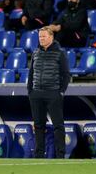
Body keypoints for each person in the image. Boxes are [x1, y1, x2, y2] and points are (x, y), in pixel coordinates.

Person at [28, 26, 70, 158]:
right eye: (40, 37)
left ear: (51, 37)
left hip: (53, 93)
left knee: (58, 125)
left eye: (44, 36)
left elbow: (66, 74)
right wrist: (30, 91)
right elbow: (31, 74)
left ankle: (60, 155)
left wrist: (61, 92)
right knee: (38, 125)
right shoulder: (35, 53)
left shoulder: (60, 53)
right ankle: (39, 155)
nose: (41, 39)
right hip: (36, 93)